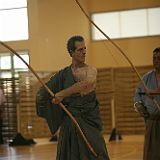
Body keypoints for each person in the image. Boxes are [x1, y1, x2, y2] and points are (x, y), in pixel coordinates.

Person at [36, 35, 110, 160]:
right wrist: (45, 97)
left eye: (85, 48)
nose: (84, 52)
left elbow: (86, 83)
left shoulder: (90, 70)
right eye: (80, 50)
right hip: (69, 123)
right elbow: (44, 91)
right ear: (71, 52)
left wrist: (61, 94)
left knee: (97, 151)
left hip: (89, 122)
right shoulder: (63, 74)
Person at [134, 47, 160, 160]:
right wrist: (139, 105)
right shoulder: (146, 78)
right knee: (151, 154)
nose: (156, 60)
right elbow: (137, 95)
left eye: (159, 58)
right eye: (154, 58)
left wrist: (155, 92)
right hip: (152, 121)